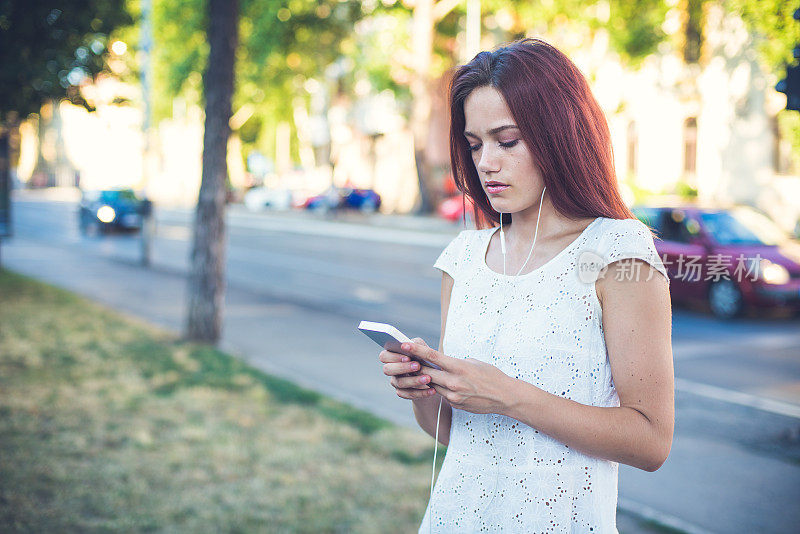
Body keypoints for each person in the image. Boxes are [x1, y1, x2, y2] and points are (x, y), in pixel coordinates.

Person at [378, 38, 674, 533]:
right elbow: (451, 432)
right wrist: (424, 389)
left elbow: (651, 442)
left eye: (507, 140)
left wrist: (508, 395)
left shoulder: (617, 252)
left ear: (560, 134)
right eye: (474, 145)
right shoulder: (465, 258)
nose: (486, 162)